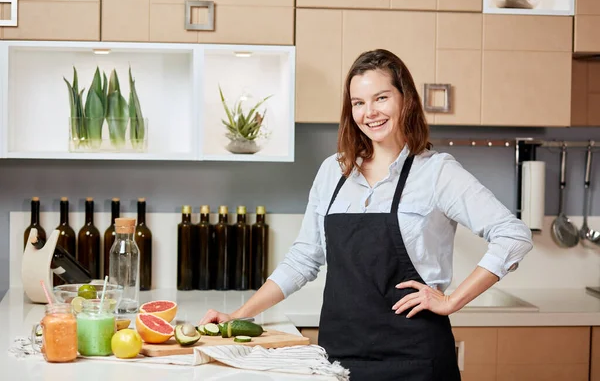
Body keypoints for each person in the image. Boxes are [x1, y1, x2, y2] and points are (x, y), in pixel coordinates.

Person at [199, 48, 533, 380]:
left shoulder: (437, 172)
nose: (369, 112)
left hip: (416, 360)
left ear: (406, 100)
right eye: (358, 103)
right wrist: (237, 316)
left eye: (381, 98)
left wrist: (451, 301)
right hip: (340, 358)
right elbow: (304, 259)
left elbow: (513, 236)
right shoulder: (334, 171)